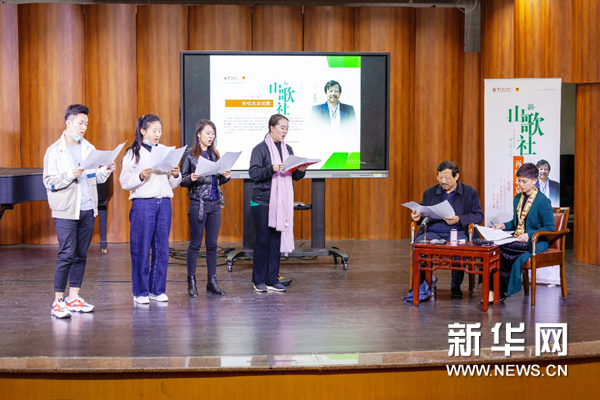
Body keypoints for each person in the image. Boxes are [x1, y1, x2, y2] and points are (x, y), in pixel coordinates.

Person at [43, 104, 115, 318]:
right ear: (68, 122)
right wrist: (69, 175)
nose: (84, 127)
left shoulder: (89, 148)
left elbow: (93, 176)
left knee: (80, 254)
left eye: (86, 124)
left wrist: (105, 171)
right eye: (80, 123)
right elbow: (49, 182)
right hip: (66, 210)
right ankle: (58, 301)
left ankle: (74, 297)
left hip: (87, 208)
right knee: (66, 254)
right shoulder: (54, 150)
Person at [120, 114, 181, 304]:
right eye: (154, 130)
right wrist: (140, 176)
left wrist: (176, 174)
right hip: (143, 204)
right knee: (141, 248)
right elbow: (124, 182)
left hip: (164, 203)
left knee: (162, 249)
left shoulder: (164, 151)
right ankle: (140, 292)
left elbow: (172, 184)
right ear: (143, 131)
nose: (157, 134)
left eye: (159, 130)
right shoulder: (133, 153)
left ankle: (157, 290)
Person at [249, 114, 307, 292]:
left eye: (287, 128)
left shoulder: (287, 148)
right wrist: (271, 169)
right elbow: (254, 174)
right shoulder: (260, 149)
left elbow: (293, 175)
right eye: (282, 127)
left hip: (281, 201)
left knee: (275, 241)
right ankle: (258, 280)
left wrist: (300, 171)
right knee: (263, 241)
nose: (285, 131)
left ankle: (272, 279)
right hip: (262, 200)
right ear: (272, 128)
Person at [411, 161, 484, 298]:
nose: (443, 181)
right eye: (440, 177)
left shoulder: (469, 192)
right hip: (433, 231)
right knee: (418, 246)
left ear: (456, 176)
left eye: (447, 178)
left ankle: (455, 285)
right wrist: (418, 217)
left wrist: (459, 219)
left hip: (457, 230)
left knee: (460, 248)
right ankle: (419, 285)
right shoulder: (430, 192)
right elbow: (423, 213)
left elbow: (479, 215)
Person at [181, 119, 231, 297]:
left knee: (212, 245)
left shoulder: (214, 155)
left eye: (213, 134)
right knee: (195, 244)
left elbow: (216, 181)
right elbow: (182, 181)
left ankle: (212, 282)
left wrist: (225, 176)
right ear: (198, 134)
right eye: (208, 133)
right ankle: (191, 282)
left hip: (215, 204)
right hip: (199, 203)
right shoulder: (190, 155)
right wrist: (191, 178)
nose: (211, 137)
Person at [492, 163, 555, 302]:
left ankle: (500, 291)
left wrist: (529, 234)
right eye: (519, 181)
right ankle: (494, 290)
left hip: (535, 243)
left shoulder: (543, 201)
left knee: (500, 249)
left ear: (534, 180)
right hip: (518, 239)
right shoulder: (517, 198)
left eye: (524, 181)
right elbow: (517, 223)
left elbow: (550, 227)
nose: (520, 184)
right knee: (494, 248)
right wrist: (503, 225)